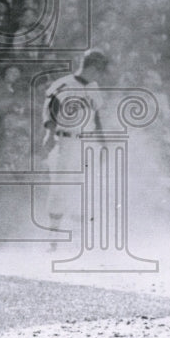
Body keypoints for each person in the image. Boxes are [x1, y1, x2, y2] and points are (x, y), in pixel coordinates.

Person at [40, 49, 111, 242]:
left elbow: (96, 116)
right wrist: (49, 134)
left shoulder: (93, 86)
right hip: (66, 141)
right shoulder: (64, 84)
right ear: (92, 67)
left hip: (88, 142)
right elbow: (51, 109)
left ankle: (80, 238)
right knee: (60, 187)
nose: (100, 74)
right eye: (99, 69)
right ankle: (52, 237)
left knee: (86, 189)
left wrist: (103, 143)